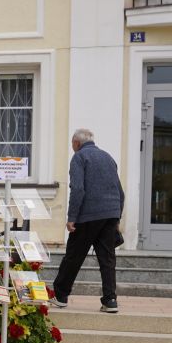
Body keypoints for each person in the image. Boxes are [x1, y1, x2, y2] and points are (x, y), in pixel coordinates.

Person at [51, 128, 125, 314]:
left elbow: (78, 189)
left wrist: (72, 218)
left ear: (76, 143)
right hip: (110, 214)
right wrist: (117, 216)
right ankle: (110, 300)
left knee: (73, 256)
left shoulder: (79, 157)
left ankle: (60, 296)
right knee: (107, 259)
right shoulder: (108, 157)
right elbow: (120, 191)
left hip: (88, 216)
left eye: (72, 144)